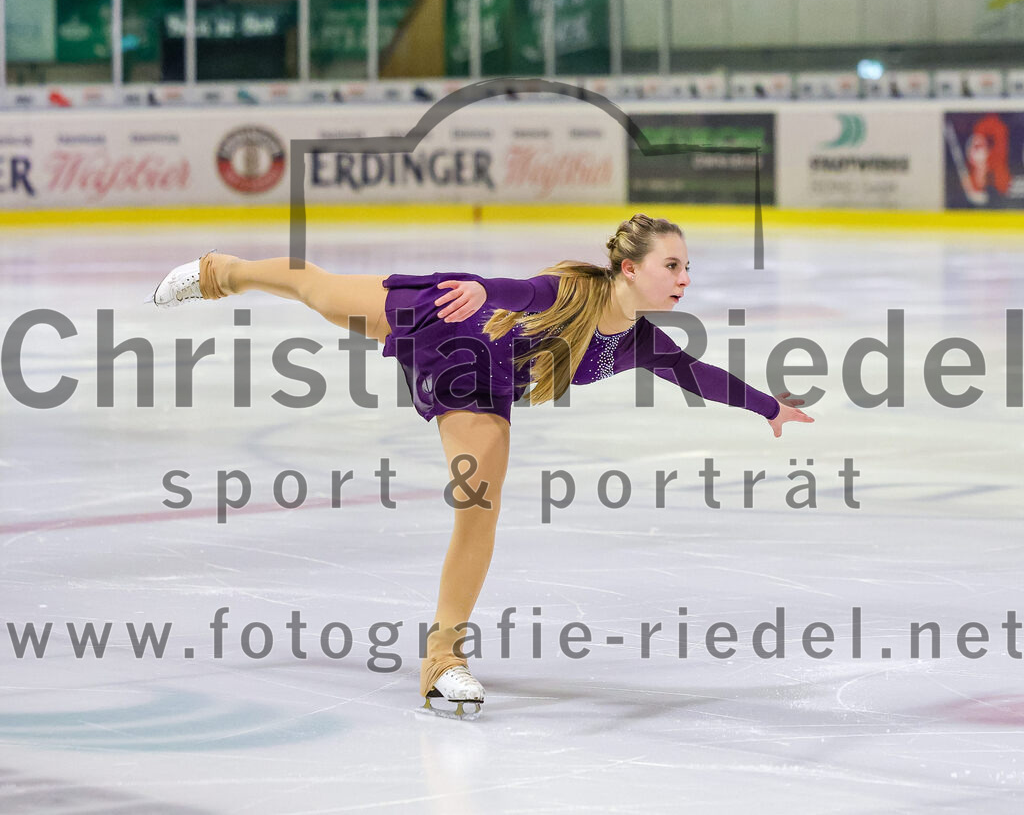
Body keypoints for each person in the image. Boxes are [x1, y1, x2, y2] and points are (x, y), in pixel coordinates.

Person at [151, 214, 813, 719]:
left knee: (478, 505)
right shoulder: (574, 290)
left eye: (687, 267)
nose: (685, 278)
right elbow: (523, 289)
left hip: (481, 379)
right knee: (318, 289)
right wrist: (480, 287)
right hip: (453, 318)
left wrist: (767, 409)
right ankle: (220, 272)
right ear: (631, 268)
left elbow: (696, 374)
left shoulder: (640, 340)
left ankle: (443, 658)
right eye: (674, 265)